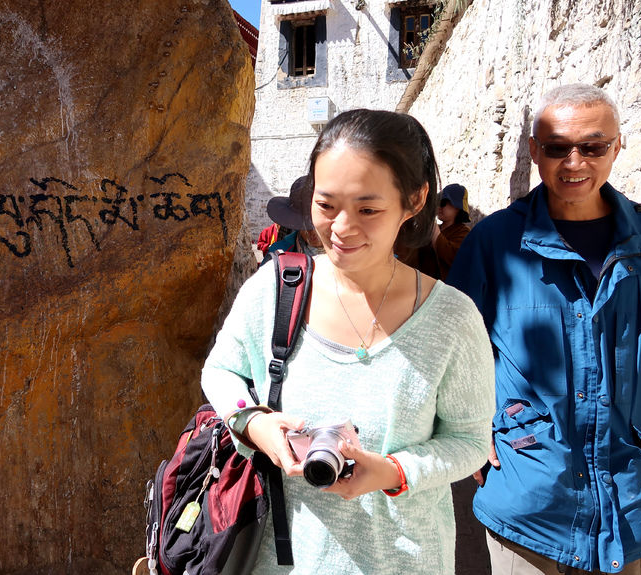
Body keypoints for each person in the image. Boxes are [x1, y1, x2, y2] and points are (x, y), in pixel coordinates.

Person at [202, 109, 496, 574]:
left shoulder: (453, 319)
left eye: (367, 209)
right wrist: (252, 422)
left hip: (406, 560)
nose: (341, 228)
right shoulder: (275, 290)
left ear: (415, 199)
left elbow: (470, 441)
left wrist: (396, 472)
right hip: (283, 558)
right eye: (326, 205)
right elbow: (221, 370)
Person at [447, 84, 641, 574]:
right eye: (556, 148)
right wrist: (471, 430)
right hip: (528, 490)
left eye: (592, 146)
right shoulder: (495, 240)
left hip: (631, 490)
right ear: (534, 151)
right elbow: (455, 348)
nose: (574, 163)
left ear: (617, 146)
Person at [259, 175, 324, 266]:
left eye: (317, 225)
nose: (312, 232)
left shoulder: (347, 254)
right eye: (305, 226)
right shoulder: (278, 253)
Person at [430, 183, 471, 279]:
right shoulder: (436, 229)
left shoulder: (464, 233)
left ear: (457, 208)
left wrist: (433, 228)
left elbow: (452, 256)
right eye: (438, 202)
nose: (439, 207)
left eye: (443, 203)